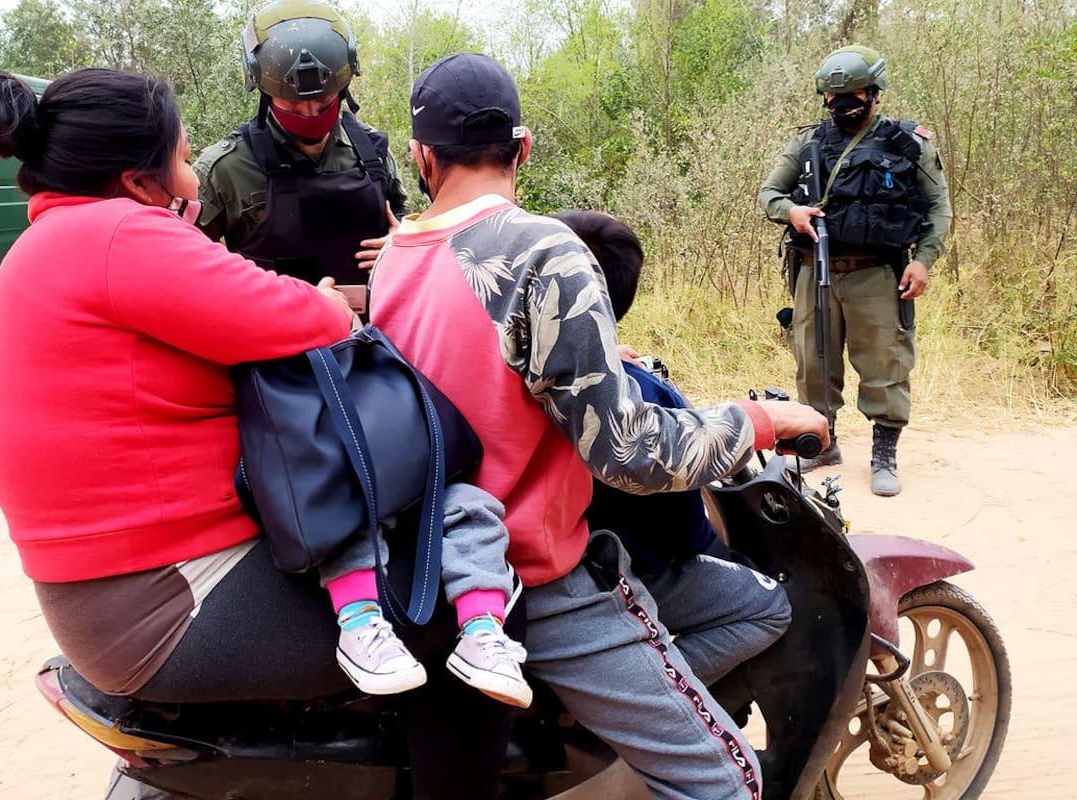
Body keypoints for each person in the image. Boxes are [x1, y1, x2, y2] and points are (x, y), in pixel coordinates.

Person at [0, 65, 514, 800]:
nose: (192, 177)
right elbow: (310, 319)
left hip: (113, 594)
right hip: (169, 601)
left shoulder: (56, 241)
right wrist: (316, 296)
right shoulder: (119, 235)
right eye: (184, 161)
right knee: (475, 590)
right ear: (137, 178)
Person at [369, 53, 829, 800]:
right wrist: (760, 421)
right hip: (536, 576)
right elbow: (630, 453)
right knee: (728, 782)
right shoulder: (543, 250)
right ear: (522, 148)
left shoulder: (395, 256)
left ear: (422, 158)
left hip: (431, 563)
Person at [555, 209, 792, 688]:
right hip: (623, 568)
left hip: (557, 555)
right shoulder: (643, 393)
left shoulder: (521, 371)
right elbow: (683, 532)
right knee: (768, 605)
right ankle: (649, 689)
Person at [758, 44, 953, 496]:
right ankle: (821, 444)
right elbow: (769, 193)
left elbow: (938, 208)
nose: (843, 106)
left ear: (874, 93)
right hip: (815, 269)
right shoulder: (807, 142)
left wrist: (923, 260)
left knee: (885, 363)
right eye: (834, 98)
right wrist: (792, 212)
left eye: (853, 96)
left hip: (878, 274)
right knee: (812, 363)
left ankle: (884, 451)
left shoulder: (908, 143)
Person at [193, 0, 409, 314]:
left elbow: (403, 218)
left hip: (373, 344)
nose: (309, 112)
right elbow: (186, 266)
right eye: (293, 105)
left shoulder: (373, 153)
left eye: (323, 102)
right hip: (272, 348)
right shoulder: (225, 169)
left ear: (344, 87)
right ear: (264, 91)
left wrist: (402, 243)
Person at [315, 481, 532, 707]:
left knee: (474, 505)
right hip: (351, 476)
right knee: (342, 497)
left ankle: (481, 632)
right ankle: (358, 620)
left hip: (409, 474)